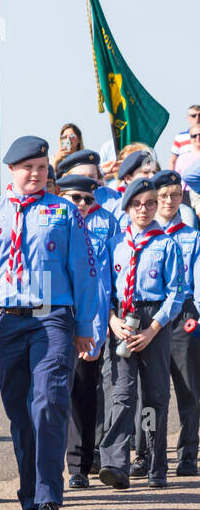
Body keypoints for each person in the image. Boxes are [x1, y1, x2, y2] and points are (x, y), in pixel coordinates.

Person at [0, 136, 99, 510]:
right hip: (8, 320)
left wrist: (85, 324)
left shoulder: (63, 212)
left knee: (48, 402)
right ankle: (28, 499)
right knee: (20, 413)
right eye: (28, 168)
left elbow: (84, 269)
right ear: (11, 171)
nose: (37, 175)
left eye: (42, 167)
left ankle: (47, 499)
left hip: (52, 318)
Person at [98, 178, 184, 489]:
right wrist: (111, 320)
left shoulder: (166, 245)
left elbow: (176, 292)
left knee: (154, 396)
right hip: (123, 319)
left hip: (153, 321)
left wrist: (153, 329)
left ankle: (155, 464)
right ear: (128, 208)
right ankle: (115, 463)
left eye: (150, 203)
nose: (144, 209)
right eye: (137, 204)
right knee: (121, 394)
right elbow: (104, 289)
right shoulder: (115, 245)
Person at [57, 174, 119, 488]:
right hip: (54, 318)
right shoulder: (51, 220)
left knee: (84, 391)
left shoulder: (106, 223)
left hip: (90, 319)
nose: (82, 204)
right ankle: (55, 463)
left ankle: (80, 466)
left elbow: (112, 274)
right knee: (54, 393)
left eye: (88, 199)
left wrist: (105, 319)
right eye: (76, 198)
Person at [152, 170, 200, 475]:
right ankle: (149, 454)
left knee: (189, 389)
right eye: (163, 195)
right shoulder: (144, 234)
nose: (169, 201)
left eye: (175, 195)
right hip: (151, 316)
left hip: (183, 315)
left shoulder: (191, 236)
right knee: (152, 392)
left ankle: (187, 454)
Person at [169, 106, 200, 170]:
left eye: (199, 115)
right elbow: (173, 160)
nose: (197, 118)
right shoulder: (180, 137)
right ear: (188, 118)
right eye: (194, 116)